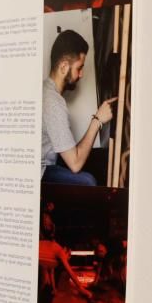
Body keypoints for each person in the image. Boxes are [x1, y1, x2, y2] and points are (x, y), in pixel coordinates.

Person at [41, 29, 116, 186]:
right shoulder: (53, 102)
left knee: (100, 156)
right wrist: (97, 120)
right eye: (79, 68)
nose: (81, 74)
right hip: (40, 173)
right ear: (63, 67)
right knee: (88, 182)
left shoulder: (46, 90)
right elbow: (75, 165)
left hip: (48, 162)